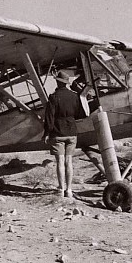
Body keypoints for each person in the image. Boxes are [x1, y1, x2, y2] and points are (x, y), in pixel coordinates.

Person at [42, 70, 86, 198]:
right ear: (66, 83)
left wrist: (47, 133)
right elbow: (78, 114)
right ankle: (69, 190)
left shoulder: (53, 97)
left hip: (58, 133)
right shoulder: (75, 96)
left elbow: (49, 117)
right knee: (69, 161)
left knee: (60, 162)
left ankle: (61, 189)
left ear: (58, 82)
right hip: (72, 132)